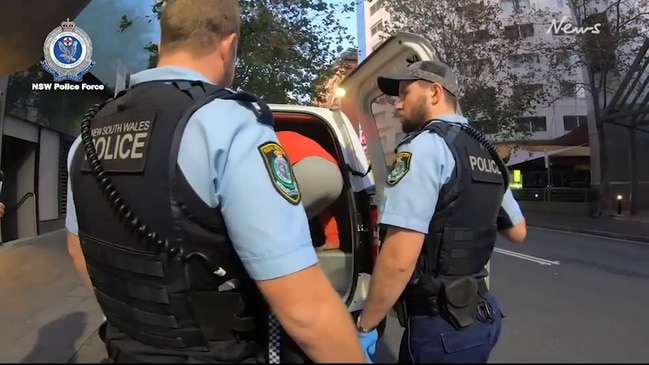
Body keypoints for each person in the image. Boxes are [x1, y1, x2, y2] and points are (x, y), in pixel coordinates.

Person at [64, 0, 367, 363]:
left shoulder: (88, 136)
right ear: (229, 45)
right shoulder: (231, 127)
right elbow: (306, 309)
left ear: (164, 43)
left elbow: (78, 251)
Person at [355, 60, 527, 363]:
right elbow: (518, 231)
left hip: (441, 329)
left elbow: (398, 259)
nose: (397, 105)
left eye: (405, 93)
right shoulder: (486, 152)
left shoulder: (423, 148)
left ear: (435, 92)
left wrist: (366, 325)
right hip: (482, 318)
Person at [276, 131, 342, 251]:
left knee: (277, 217)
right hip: (335, 174)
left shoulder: (263, 140)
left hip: (302, 165)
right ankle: (333, 240)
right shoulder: (292, 136)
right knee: (318, 201)